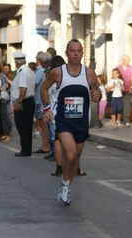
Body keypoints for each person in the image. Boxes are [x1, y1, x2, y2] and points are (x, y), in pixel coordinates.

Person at [41, 39, 101, 205]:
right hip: (63, 120)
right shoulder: (57, 73)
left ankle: (66, 183)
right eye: (72, 51)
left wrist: (97, 95)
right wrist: (46, 109)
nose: (75, 54)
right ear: (67, 53)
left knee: (76, 159)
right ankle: (65, 188)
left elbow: (97, 93)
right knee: (71, 153)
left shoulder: (89, 73)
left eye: (79, 51)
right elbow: (44, 88)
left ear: (82, 53)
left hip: (81, 120)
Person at [11, 51, 36, 157]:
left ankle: (25, 149)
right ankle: (26, 149)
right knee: (27, 126)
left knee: (22, 126)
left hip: (24, 101)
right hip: (29, 101)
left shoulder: (23, 72)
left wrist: (19, 102)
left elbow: (23, 88)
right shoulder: (28, 71)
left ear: (16, 62)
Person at [34, 52, 52, 153]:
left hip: (43, 101)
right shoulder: (47, 70)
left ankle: (46, 146)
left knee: (43, 123)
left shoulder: (44, 71)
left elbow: (41, 86)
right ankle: (47, 146)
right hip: (44, 100)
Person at [0, 60, 11, 141]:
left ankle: (5, 133)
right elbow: (11, 82)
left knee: (2, 116)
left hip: (1, 96)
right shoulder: (3, 75)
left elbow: (0, 87)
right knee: (4, 115)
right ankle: (4, 132)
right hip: (5, 96)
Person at [117, 55, 132, 127]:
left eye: (128, 60)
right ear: (123, 60)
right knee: (119, 105)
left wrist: (131, 86)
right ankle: (117, 120)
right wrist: (121, 86)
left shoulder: (131, 68)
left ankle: (126, 120)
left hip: (127, 89)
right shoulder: (118, 67)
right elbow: (116, 78)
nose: (127, 62)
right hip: (119, 89)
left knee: (127, 105)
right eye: (126, 60)